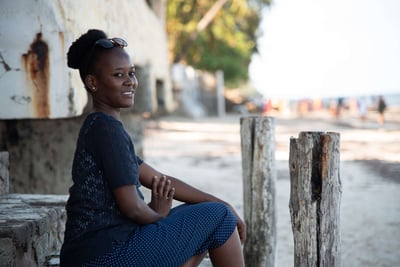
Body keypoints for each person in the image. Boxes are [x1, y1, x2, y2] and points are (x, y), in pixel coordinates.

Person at [60, 29, 246, 267]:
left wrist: (219, 201)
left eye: (132, 73)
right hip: (105, 255)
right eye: (118, 75)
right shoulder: (106, 128)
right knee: (218, 219)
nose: (130, 82)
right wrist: (158, 214)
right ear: (93, 82)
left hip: (94, 253)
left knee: (210, 214)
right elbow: (132, 208)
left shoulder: (101, 126)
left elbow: (158, 179)